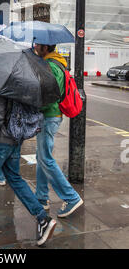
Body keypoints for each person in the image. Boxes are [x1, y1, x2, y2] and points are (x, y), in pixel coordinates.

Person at [0, 89, 57, 246]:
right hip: (15, 138)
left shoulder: (1, 82)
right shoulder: (22, 83)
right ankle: (43, 219)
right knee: (15, 179)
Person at [34, 43, 84, 218]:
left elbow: (49, 95)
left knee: (45, 158)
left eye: (37, 44)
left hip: (49, 116)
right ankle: (41, 197)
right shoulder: (57, 62)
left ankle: (71, 197)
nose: (35, 46)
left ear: (45, 47)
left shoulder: (50, 66)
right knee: (41, 156)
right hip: (51, 116)